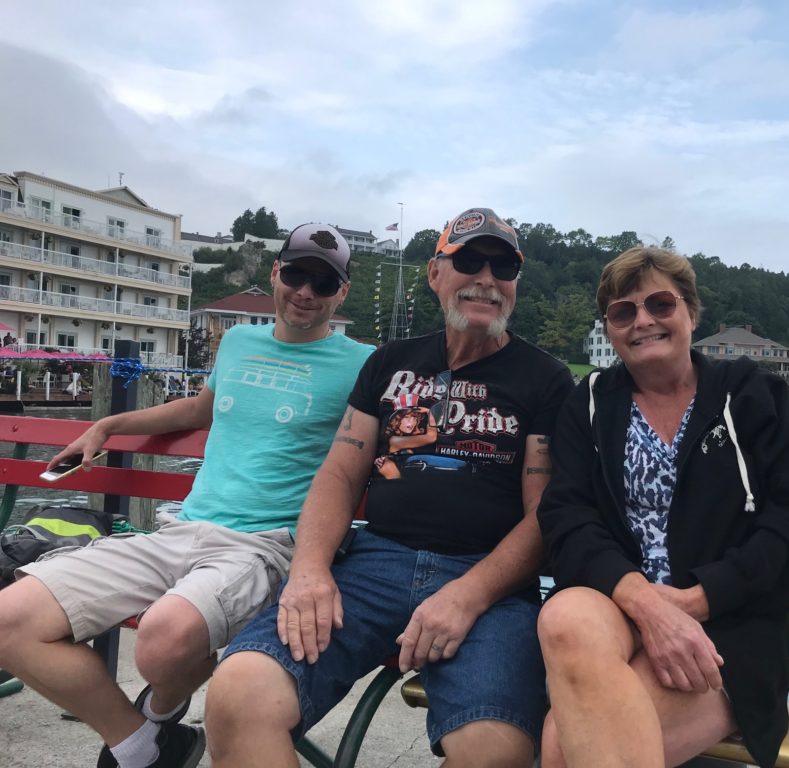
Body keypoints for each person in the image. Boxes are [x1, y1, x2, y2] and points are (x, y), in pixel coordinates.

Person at [204, 207, 575, 768]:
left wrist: (467, 596)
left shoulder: (545, 378)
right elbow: (339, 473)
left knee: (493, 752)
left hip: (487, 584)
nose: (486, 279)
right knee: (238, 694)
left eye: (503, 268)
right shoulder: (390, 363)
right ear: (434, 273)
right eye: (469, 260)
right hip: (374, 564)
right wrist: (309, 570)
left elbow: (543, 515)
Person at [0, 223, 374, 768]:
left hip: (262, 547)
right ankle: (143, 746)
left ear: (341, 292)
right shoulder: (240, 341)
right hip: (180, 528)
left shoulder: (362, 363)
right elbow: (198, 410)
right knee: (12, 618)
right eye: (296, 274)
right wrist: (109, 424)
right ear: (276, 273)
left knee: (161, 640)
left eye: (323, 282)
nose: (306, 292)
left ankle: (159, 711)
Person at [535, 246, 789, 768]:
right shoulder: (588, 404)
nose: (643, 320)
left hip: (733, 624)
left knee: (562, 747)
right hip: (622, 605)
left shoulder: (755, 396)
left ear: (691, 312)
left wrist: (694, 603)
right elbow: (567, 520)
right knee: (562, 617)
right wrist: (648, 608)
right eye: (623, 313)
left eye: (660, 304)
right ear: (610, 329)